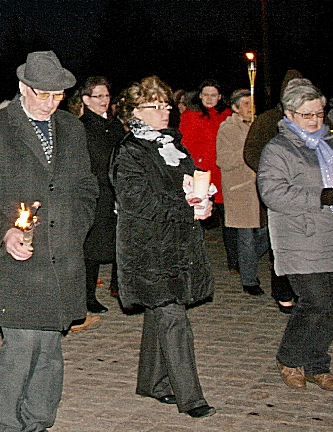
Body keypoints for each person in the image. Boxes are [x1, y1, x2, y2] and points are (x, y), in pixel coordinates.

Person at [0, 51, 98, 431]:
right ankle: (7, 424)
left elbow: (87, 186)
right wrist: (3, 230)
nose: (50, 103)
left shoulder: (72, 128)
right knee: (22, 346)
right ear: (23, 88)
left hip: (63, 256)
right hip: (17, 258)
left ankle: (39, 421)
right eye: (43, 94)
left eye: (58, 96)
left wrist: (77, 225)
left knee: (51, 347)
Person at [110, 76, 216, 419]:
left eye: (166, 104)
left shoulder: (173, 145)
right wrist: (186, 207)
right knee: (173, 317)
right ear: (134, 113)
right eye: (154, 106)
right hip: (148, 248)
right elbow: (137, 200)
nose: (163, 111)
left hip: (178, 244)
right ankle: (191, 397)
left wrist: (203, 203)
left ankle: (152, 382)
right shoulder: (129, 150)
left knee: (162, 309)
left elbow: (186, 186)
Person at [258, 81, 333, 391]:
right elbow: (273, 193)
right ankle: (289, 357)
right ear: (290, 115)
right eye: (306, 114)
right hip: (301, 238)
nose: (314, 120)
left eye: (319, 113)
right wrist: (320, 196)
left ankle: (317, 363)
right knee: (314, 301)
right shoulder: (278, 149)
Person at [244, 69, 306, 313]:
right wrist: (274, 174)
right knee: (281, 244)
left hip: (308, 195)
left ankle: (304, 290)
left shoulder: (316, 120)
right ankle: (283, 292)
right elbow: (251, 153)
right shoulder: (269, 120)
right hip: (280, 195)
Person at [179, 80, 235, 271]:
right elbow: (185, 143)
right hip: (200, 173)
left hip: (223, 172)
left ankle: (234, 260)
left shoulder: (227, 116)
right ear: (200, 96)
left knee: (229, 218)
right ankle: (195, 257)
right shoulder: (191, 115)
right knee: (198, 214)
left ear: (220, 97)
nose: (209, 98)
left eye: (213, 95)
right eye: (206, 94)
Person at [217, 89, 267, 295]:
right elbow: (224, 160)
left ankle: (246, 261)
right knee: (245, 236)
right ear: (235, 108)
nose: (250, 107)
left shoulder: (261, 126)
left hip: (261, 188)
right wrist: (249, 152)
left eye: (251, 102)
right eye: (245, 103)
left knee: (267, 232)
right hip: (240, 190)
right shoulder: (227, 129)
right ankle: (249, 279)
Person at [80, 76, 123, 312]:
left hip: (115, 190)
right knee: (92, 247)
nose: (104, 101)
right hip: (95, 192)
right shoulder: (82, 126)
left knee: (119, 239)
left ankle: (119, 286)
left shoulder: (114, 125)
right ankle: (87, 296)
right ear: (86, 100)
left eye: (107, 96)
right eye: (99, 96)